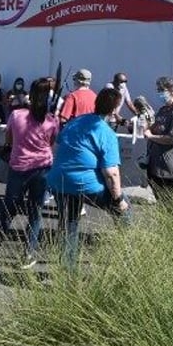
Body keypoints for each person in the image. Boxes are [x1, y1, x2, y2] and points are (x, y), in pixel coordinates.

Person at [46, 87, 131, 271]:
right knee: (124, 209)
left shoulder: (75, 123)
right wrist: (118, 200)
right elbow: (111, 173)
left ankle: (67, 271)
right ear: (114, 110)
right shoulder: (106, 132)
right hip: (85, 183)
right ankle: (128, 257)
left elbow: (57, 146)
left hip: (59, 179)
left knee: (69, 223)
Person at [0, 78, 59, 268]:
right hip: (43, 167)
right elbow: (51, 144)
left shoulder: (16, 115)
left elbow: (9, 140)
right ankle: (28, 253)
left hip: (19, 167)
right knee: (35, 212)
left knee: (8, 210)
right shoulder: (52, 120)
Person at [143, 76, 173, 199]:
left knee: (170, 204)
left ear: (172, 91)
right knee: (160, 202)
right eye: (158, 90)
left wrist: (151, 137)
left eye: (161, 90)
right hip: (155, 166)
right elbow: (154, 127)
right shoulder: (163, 109)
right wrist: (146, 124)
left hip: (170, 168)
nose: (159, 93)